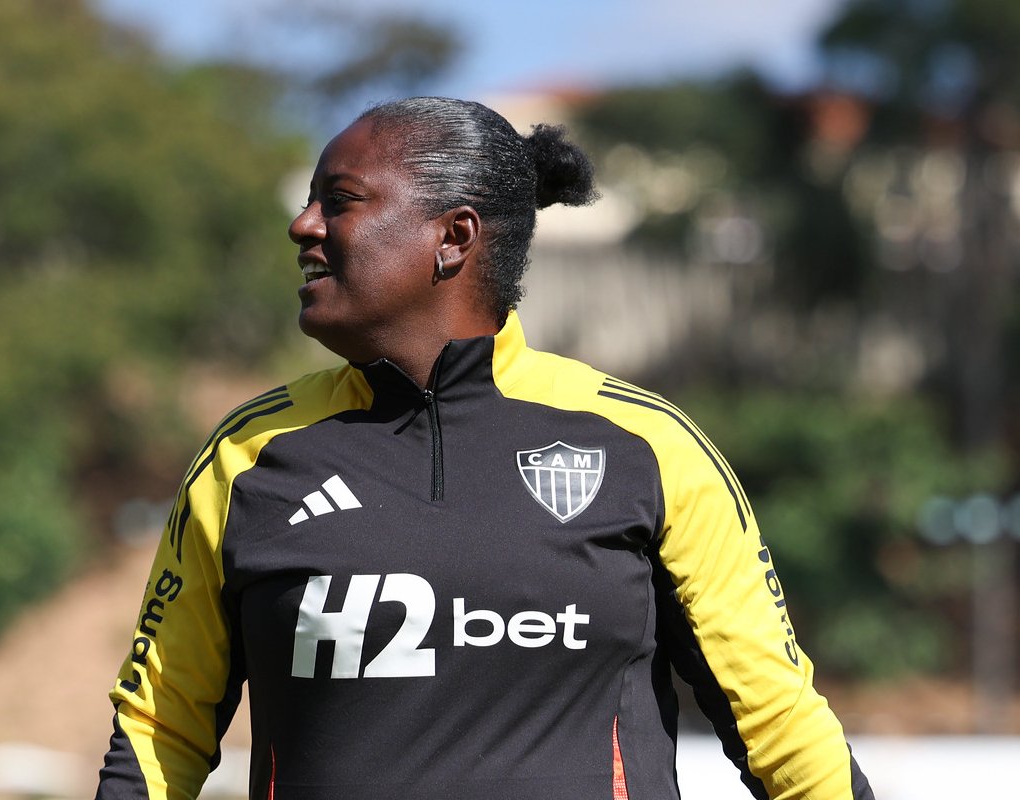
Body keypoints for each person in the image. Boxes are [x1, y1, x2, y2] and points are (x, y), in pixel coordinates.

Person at [96, 96, 875, 800]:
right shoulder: (249, 455)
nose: (304, 226)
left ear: (453, 236)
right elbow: (159, 730)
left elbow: (777, 723)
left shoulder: (646, 445)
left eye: (339, 202)